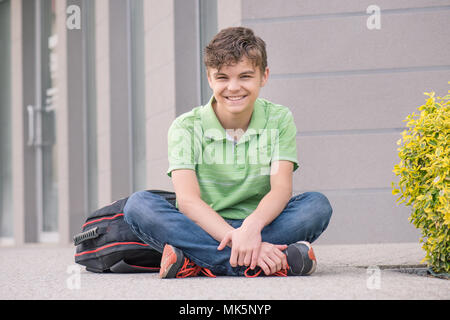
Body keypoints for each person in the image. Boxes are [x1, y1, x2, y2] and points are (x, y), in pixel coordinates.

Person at [124, 26, 332, 278]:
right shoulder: (186, 127)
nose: (233, 87)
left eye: (245, 76)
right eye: (222, 77)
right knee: (139, 205)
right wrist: (232, 237)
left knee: (316, 206)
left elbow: (281, 189)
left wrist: (251, 228)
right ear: (210, 79)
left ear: (263, 76)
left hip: (261, 224)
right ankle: (268, 260)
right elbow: (188, 201)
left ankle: (200, 260)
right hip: (203, 226)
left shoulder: (279, 118)